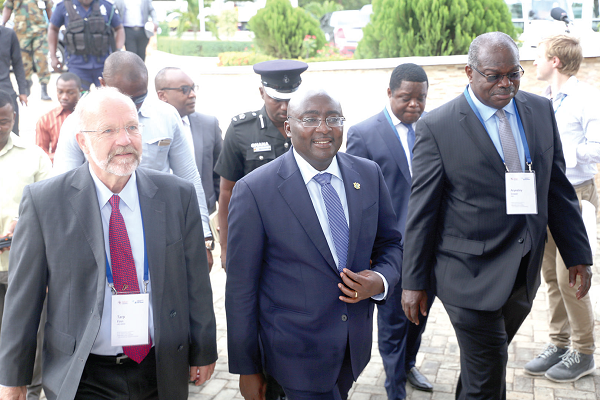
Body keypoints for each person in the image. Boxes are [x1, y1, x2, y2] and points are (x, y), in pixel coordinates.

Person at [401, 32, 593, 400]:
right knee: (488, 378)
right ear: (469, 72)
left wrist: (578, 255)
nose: (506, 84)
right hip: (467, 277)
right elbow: (422, 212)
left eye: (514, 73)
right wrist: (413, 282)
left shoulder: (539, 110)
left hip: (521, 272)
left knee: (483, 366)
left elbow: (556, 188)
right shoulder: (437, 128)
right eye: (494, 75)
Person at [0, 87, 217, 400]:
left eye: (132, 127)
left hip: (160, 367)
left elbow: (195, 282)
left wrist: (203, 348)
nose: (125, 140)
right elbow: (23, 301)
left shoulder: (175, 196)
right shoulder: (46, 202)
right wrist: (13, 379)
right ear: (83, 142)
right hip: (83, 373)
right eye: (109, 131)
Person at [225, 87, 403, 400]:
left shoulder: (368, 174)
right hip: (292, 357)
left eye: (333, 118)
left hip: (351, 348)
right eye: (310, 119)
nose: (323, 128)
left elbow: (391, 245)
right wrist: (247, 367)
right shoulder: (255, 190)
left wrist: (381, 280)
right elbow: (241, 289)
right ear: (288, 128)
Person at [53, 51, 214, 254]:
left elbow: (189, 176)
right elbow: (63, 185)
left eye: (140, 98)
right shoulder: (76, 123)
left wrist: (204, 236)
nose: (132, 106)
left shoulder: (166, 115)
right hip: (99, 226)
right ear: (103, 83)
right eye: (124, 97)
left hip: (158, 223)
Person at [346, 63, 434, 399]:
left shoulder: (432, 128)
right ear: (389, 94)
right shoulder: (364, 133)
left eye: (420, 98)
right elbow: (358, 197)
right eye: (406, 98)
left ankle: (409, 364)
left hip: (430, 246)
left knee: (421, 314)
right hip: (392, 249)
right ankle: (395, 386)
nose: (414, 104)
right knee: (394, 321)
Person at [523, 34, 600, 382]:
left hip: (576, 194)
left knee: (572, 278)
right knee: (551, 276)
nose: (533, 63)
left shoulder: (587, 98)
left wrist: (556, 157)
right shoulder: (546, 100)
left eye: (538, 56)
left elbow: (597, 149)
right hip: (546, 197)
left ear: (555, 61)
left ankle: (584, 353)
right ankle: (558, 343)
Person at [214, 59, 308, 271]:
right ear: (262, 92)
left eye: (290, 99)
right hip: (256, 237)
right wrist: (226, 246)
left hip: (305, 237)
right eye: (277, 100)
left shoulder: (311, 127)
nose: (285, 107)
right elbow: (227, 191)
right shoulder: (241, 130)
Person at [0, 90, 51, 400]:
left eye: (3, 121)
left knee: (30, 335)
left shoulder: (34, 156)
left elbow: (51, 210)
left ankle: (31, 392)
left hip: (25, 266)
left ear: (13, 118)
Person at [155, 67, 222, 268]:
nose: (192, 94)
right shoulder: (149, 127)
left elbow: (220, 177)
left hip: (201, 223)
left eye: (193, 88)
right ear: (162, 95)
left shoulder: (209, 124)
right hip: (162, 223)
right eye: (184, 89)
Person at [48, 0, 125, 91]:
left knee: (106, 100)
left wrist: (118, 51)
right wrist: (53, 57)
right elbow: (53, 29)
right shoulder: (64, 6)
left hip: (103, 66)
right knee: (77, 101)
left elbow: (119, 28)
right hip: (76, 66)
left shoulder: (106, 6)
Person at [1, 0, 52, 101]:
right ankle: (26, 86)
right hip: (21, 31)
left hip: (39, 30)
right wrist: (3, 23)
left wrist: (53, 25)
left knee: (42, 59)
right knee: (23, 61)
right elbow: (8, 7)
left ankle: (44, 88)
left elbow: (49, 7)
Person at [36, 72, 81, 163]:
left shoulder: (90, 116)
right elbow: (40, 154)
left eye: (70, 93)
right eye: (60, 92)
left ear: (80, 91)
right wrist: (62, 158)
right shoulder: (46, 120)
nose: (64, 97)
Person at [0, 24, 27, 136]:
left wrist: (22, 91)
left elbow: (18, 64)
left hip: (5, 87)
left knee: (12, 134)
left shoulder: (9, 34)